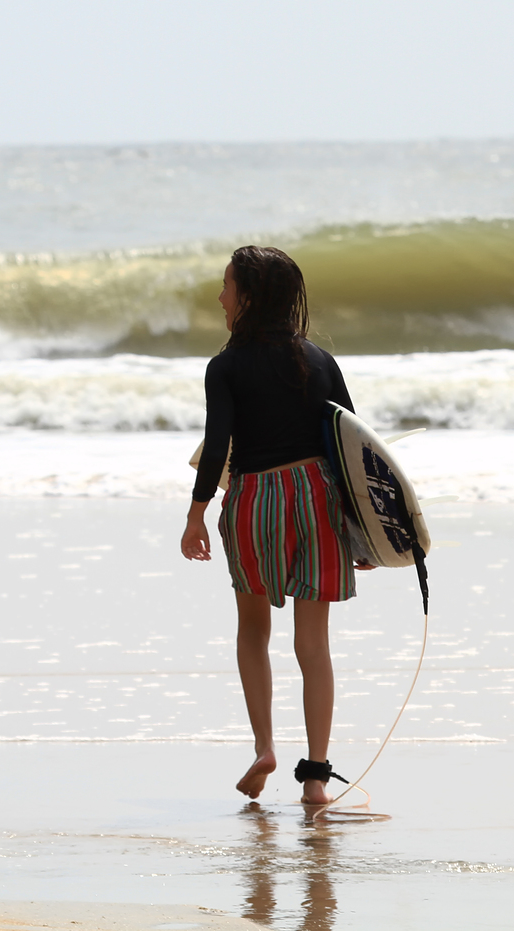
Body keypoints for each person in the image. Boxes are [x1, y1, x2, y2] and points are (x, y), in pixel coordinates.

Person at [180, 246, 366, 805]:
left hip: (255, 498)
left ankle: (264, 746)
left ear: (249, 296)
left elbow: (218, 449)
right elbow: (352, 444)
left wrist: (195, 514)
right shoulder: (320, 361)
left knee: (253, 630)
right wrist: (364, 529)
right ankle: (315, 778)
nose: (220, 295)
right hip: (316, 496)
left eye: (227, 285)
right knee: (314, 644)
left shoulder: (225, 366)